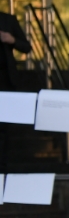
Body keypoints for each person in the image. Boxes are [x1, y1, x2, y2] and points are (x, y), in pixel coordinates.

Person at [0, 10, 31, 169]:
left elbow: (27, 47)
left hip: (5, 79)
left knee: (4, 126)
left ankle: (2, 165)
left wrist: (11, 39)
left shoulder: (7, 20)